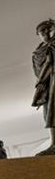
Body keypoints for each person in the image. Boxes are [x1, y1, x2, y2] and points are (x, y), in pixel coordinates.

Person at [32, 19, 55, 155]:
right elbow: (38, 71)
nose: (46, 32)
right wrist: (41, 83)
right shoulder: (37, 53)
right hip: (48, 84)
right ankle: (54, 144)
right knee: (50, 112)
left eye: (49, 29)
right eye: (42, 31)